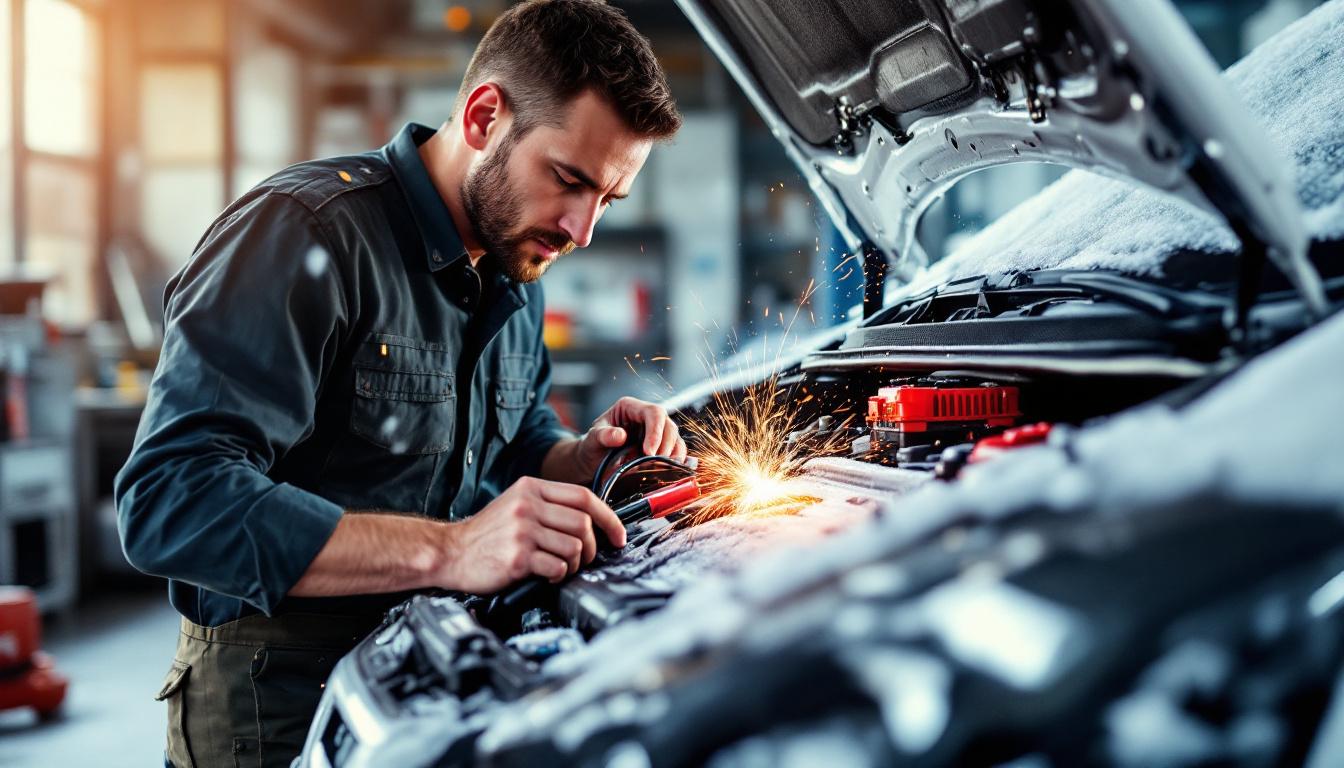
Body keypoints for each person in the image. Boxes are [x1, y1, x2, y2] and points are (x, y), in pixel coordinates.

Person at [114, 2, 683, 765]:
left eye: (606, 201)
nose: (582, 231)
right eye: (569, 180)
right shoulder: (306, 233)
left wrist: (576, 458)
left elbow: (508, 446)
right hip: (276, 706)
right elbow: (170, 501)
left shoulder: (518, 260)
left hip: (436, 680)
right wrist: (450, 551)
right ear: (484, 117)